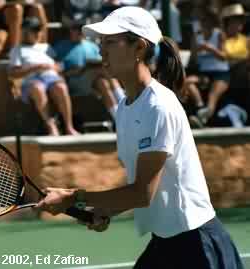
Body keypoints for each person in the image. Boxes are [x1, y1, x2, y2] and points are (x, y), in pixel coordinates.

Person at [35, 6, 244, 269]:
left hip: (197, 246)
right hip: (166, 243)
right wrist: (107, 210)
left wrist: (71, 197)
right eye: (101, 42)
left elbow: (142, 193)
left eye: (111, 42)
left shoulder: (159, 106)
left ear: (139, 48)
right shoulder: (124, 107)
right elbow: (145, 189)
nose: (102, 50)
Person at [8, 18, 80, 136]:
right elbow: (12, 73)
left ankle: (69, 127)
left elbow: (59, 66)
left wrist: (55, 68)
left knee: (61, 87)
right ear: (25, 32)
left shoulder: (46, 47)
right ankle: (51, 126)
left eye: (39, 30)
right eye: (34, 31)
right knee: (38, 88)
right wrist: (36, 67)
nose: (38, 33)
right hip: (31, 80)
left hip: (51, 77)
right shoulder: (17, 50)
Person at [54, 19, 125, 120]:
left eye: (81, 29)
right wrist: (76, 71)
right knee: (103, 71)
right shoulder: (60, 47)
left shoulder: (92, 46)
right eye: (76, 29)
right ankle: (122, 98)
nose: (79, 32)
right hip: (74, 81)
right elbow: (57, 69)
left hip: (94, 81)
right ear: (71, 30)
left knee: (103, 83)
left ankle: (118, 117)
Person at [184, 8, 230, 127]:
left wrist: (210, 49)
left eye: (205, 20)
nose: (203, 23)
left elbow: (224, 56)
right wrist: (195, 48)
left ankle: (202, 118)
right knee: (188, 82)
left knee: (212, 96)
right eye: (201, 20)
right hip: (204, 73)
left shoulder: (219, 34)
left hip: (221, 73)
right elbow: (193, 59)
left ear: (211, 21)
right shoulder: (196, 37)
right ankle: (200, 108)